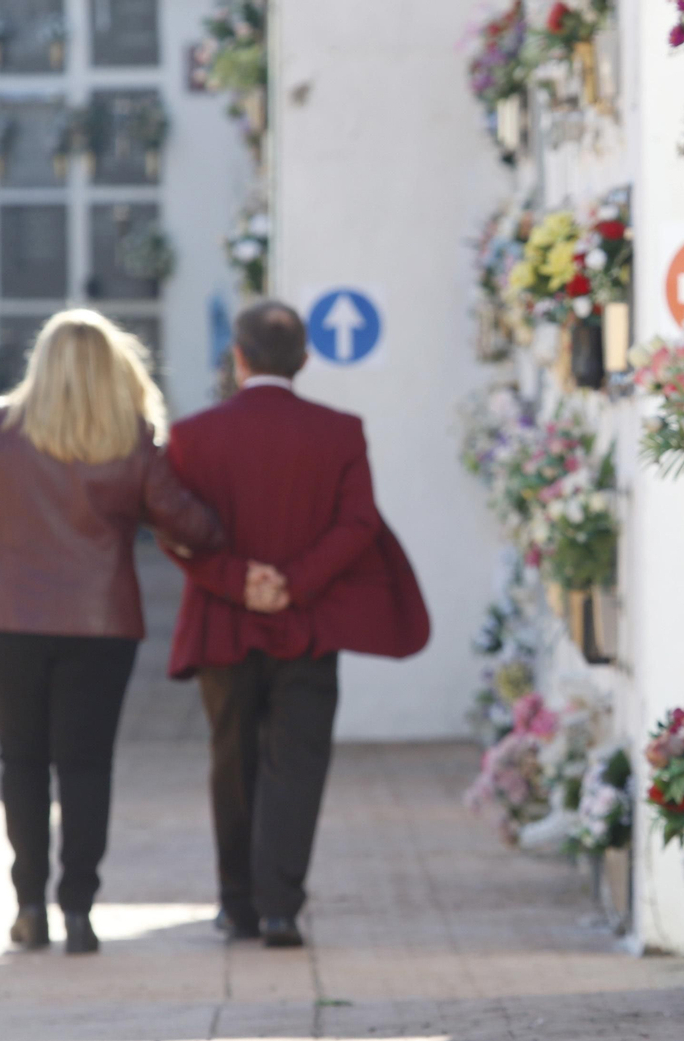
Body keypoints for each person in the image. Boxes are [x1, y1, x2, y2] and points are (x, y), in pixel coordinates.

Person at [0, 310, 223, 955]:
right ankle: (80, 910)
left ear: (42, 364)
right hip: (101, 622)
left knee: (21, 761)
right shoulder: (131, 437)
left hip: (7, 619)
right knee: (87, 764)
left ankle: (29, 905)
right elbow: (188, 523)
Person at [164, 300, 428, 949]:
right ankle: (280, 906)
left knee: (232, 761)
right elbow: (358, 523)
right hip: (309, 622)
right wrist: (294, 582)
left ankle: (237, 906)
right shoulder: (341, 432)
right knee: (298, 764)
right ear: (305, 359)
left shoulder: (193, 435)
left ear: (238, 357)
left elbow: (174, 529)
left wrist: (238, 581)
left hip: (224, 622)